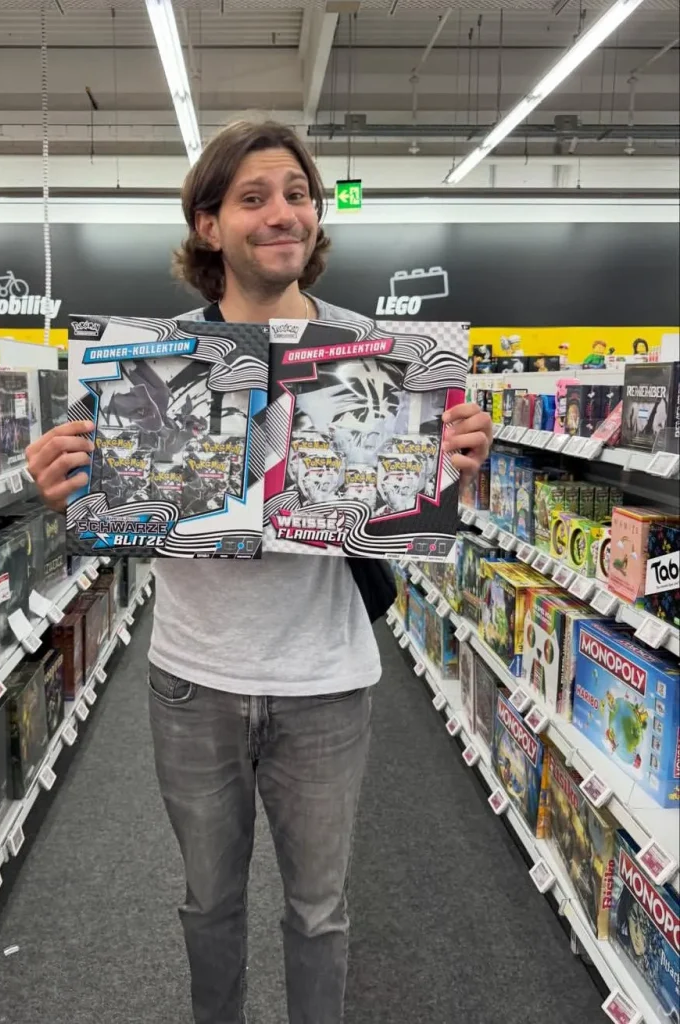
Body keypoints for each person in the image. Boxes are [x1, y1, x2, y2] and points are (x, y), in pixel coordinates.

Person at [25, 120, 492, 1024]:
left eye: (297, 194)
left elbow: (408, 509)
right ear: (209, 226)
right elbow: (117, 502)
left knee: (320, 912)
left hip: (327, 682)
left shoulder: (380, 355)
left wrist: (456, 468)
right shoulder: (152, 358)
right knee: (208, 904)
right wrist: (66, 485)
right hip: (193, 680)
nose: (283, 213)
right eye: (253, 198)